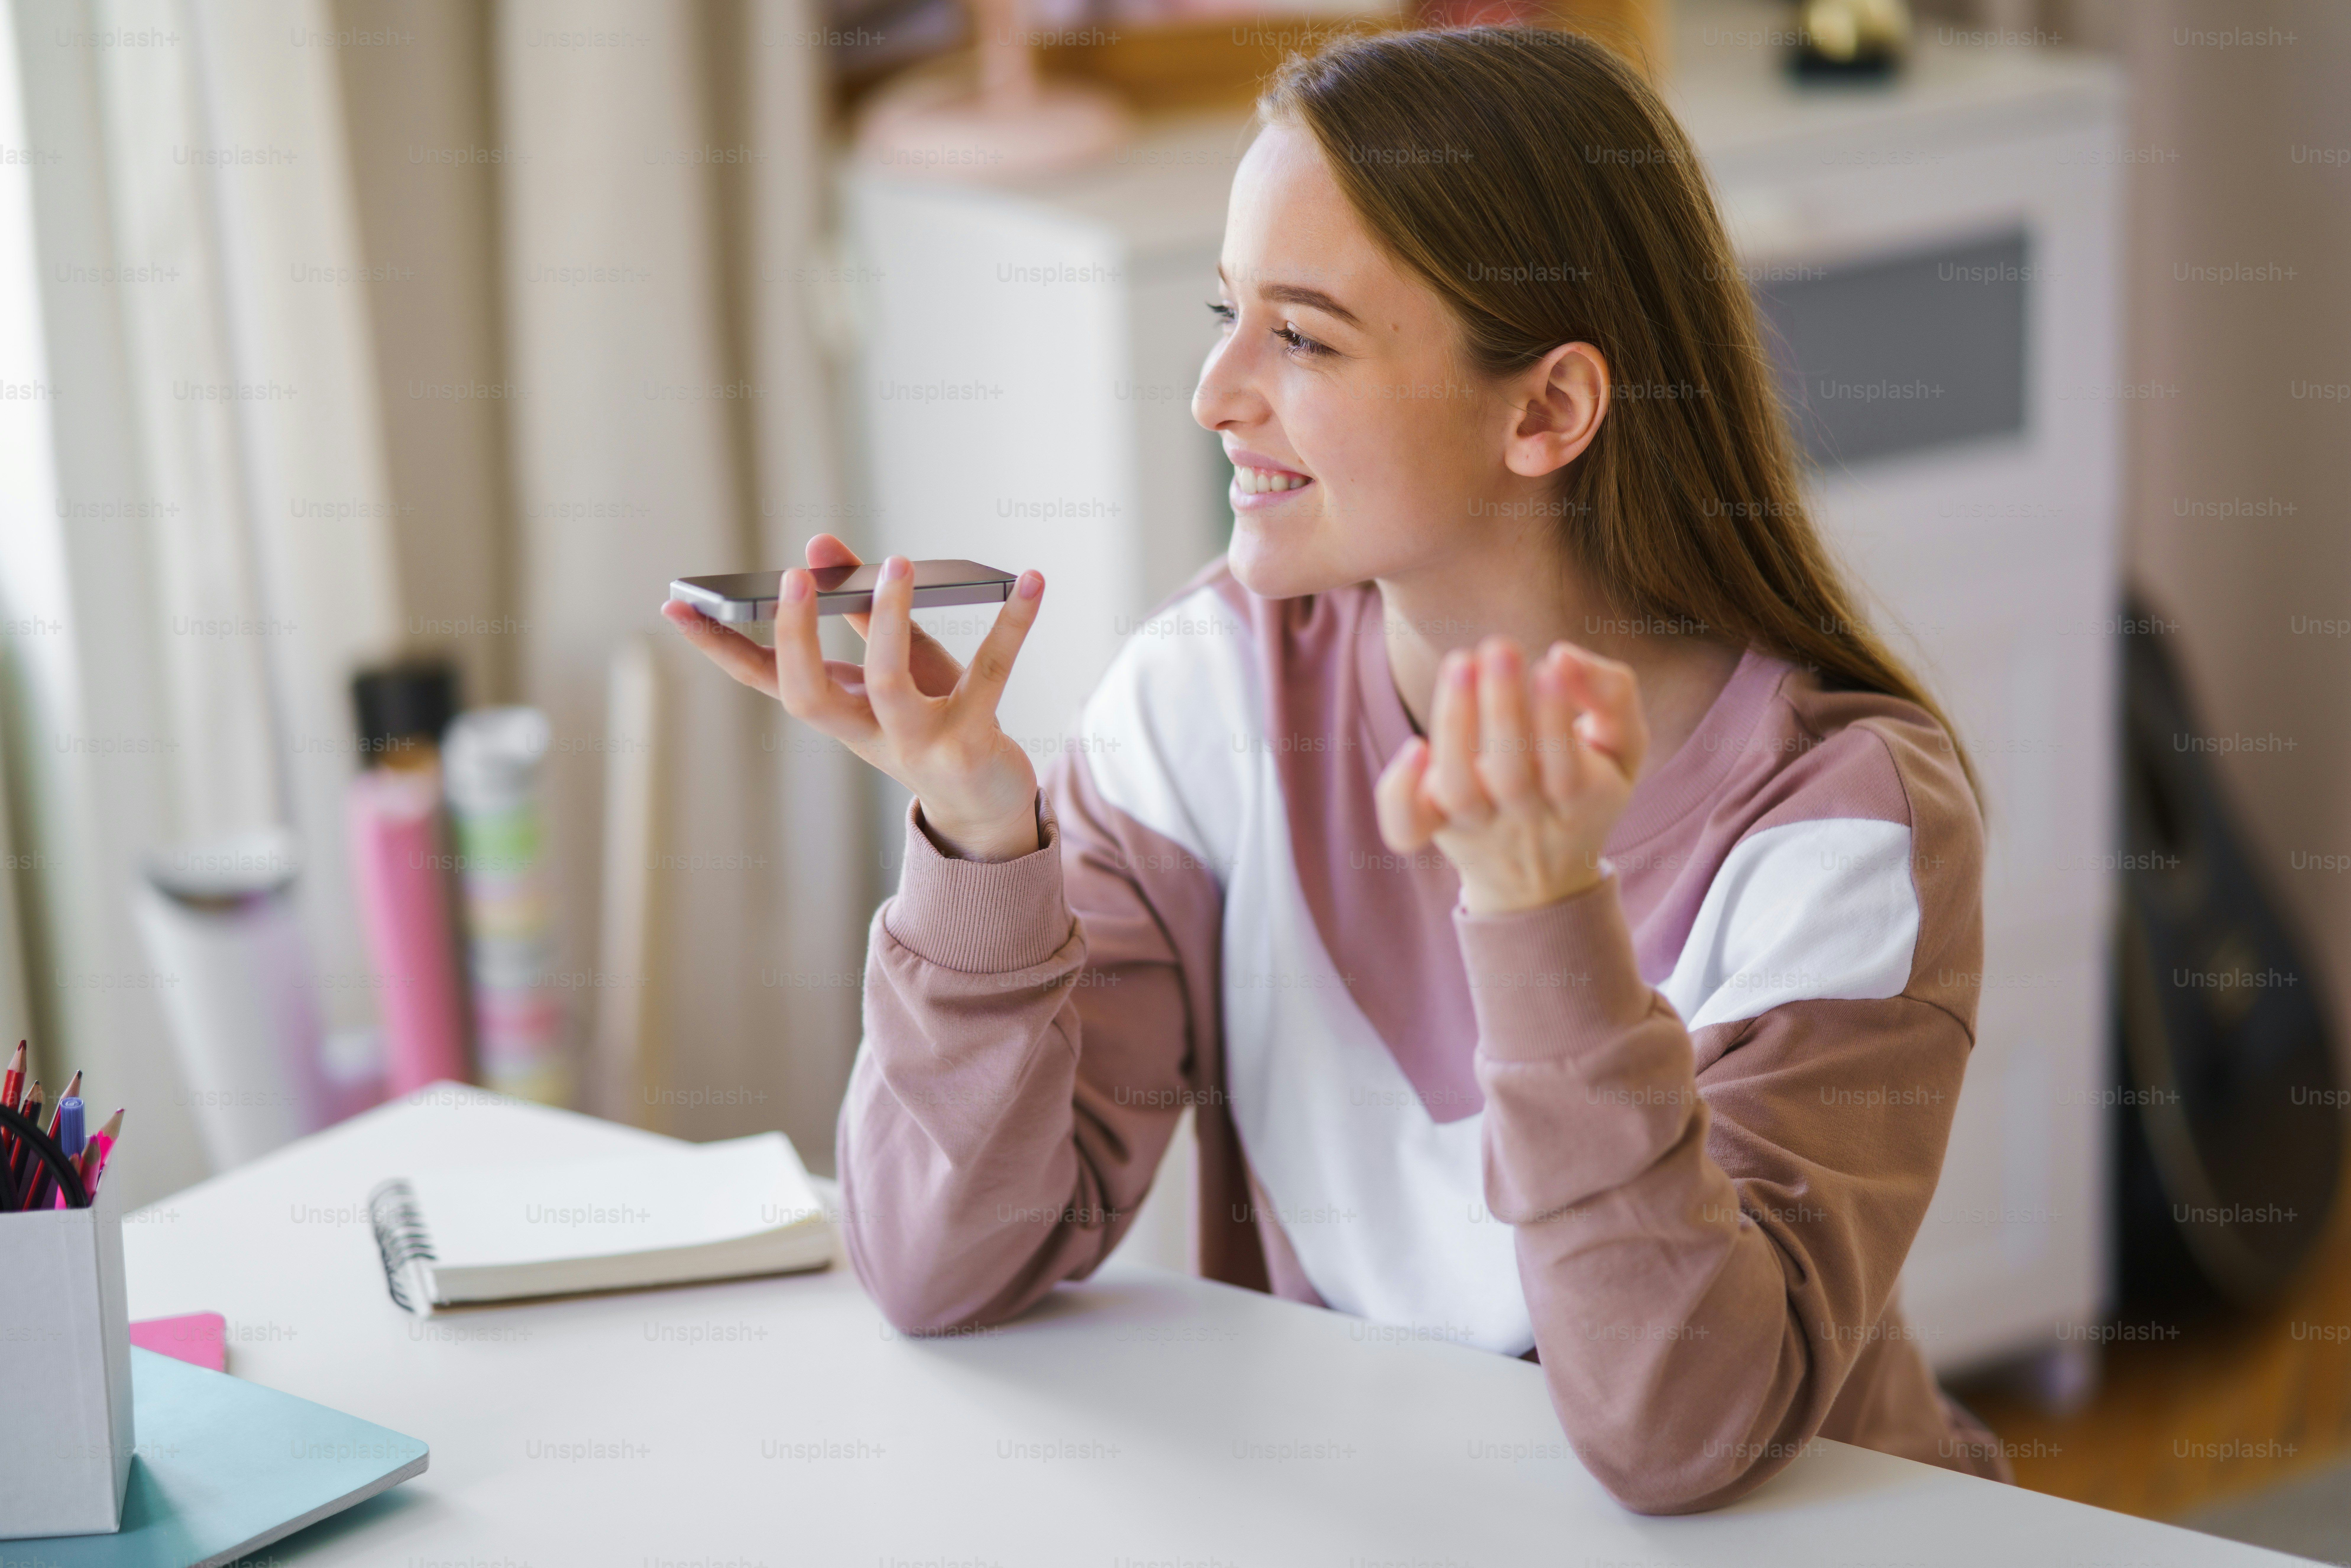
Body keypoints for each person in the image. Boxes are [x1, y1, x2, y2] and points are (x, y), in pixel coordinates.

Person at [665, 25, 2008, 1514]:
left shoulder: (1838, 822)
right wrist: (982, 837)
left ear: (1546, 410)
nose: (1215, 392)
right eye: (1224, 313)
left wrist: (1540, 913)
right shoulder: (1212, 696)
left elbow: (1681, 1434)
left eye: (1300, 337)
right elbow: (936, 1266)